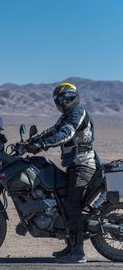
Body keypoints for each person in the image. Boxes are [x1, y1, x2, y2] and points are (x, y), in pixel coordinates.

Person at [27, 82, 100, 263]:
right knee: (62, 202)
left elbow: (66, 134)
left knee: (71, 205)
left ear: (74, 97)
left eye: (66, 97)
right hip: (75, 166)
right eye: (60, 99)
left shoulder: (77, 113)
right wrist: (30, 142)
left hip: (84, 165)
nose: (63, 101)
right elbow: (52, 131)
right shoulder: (66, 116)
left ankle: (78, 253)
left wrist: (42, 145)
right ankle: (70, 246)